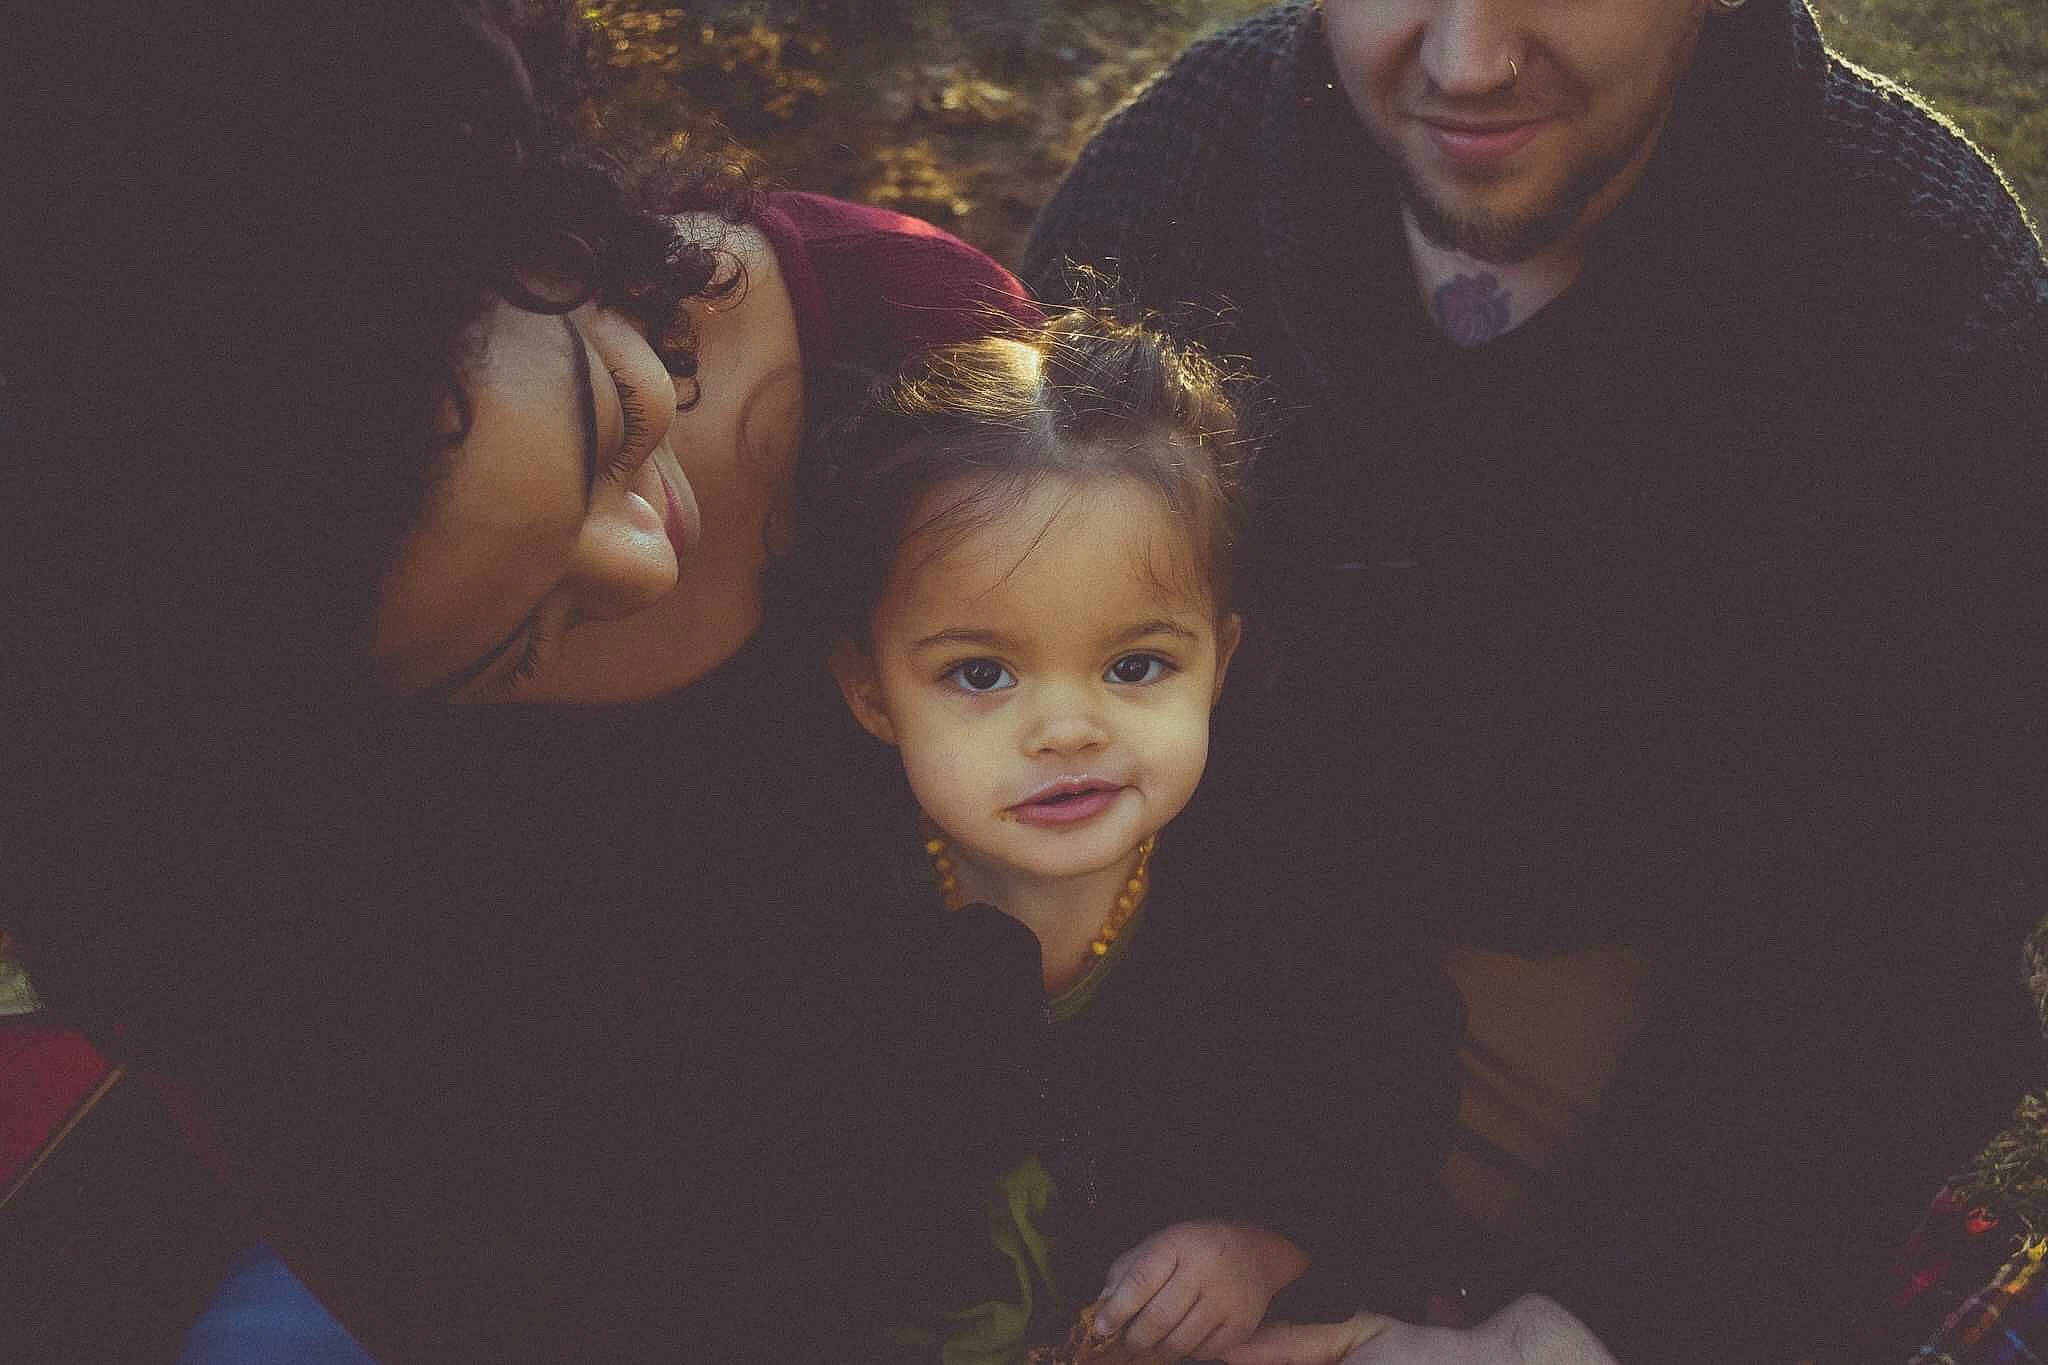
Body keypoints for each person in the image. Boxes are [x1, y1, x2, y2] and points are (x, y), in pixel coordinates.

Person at [5, 1, 1036, 1359]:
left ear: (535, 227)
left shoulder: (913, 338)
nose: (645, 565)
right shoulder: (183, 857)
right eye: (518, 644)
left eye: (605, 425)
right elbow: (457, 1275)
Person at [1023, 0, 2047, 1359]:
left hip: (1684, 1018)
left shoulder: (1919, 287)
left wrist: (1589, 1321)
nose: (1468, 64)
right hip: (1220, 971)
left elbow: (1909, 915)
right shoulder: (1189, 169)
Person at [782, 312, 1461, 1363]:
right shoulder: (813, 913)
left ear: (1218, 661)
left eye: (1135, 666)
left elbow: (1380, 1095)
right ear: (870, 692)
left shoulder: (1280, 901)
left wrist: (1258, 1243)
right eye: (979, 673)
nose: (1066, 730)